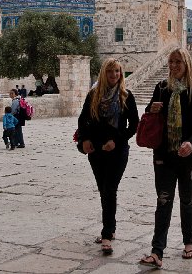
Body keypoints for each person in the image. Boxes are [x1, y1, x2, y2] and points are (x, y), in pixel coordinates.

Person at [139, 48, 192, 269]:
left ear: (186, 63)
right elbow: (149, 114)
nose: (174, 65)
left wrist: (191, 143)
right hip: (164, 155)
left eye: (178, 61)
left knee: (187, 200)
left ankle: (188, 242)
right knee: (163, 200)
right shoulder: (161, 88)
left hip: (188, 156)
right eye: (171, 61)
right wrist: (152, 109)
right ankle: (157, 251)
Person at [77, 58, 140, 256]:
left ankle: (106, 234)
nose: (114, 75)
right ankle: (110, 228)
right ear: (104, 73)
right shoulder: (93, 95)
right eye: (111, 72)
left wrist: (117, 140)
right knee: (104, 190)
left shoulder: (125, 96)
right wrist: (85, 139)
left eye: (118, 72)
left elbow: (134, 125)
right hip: (96, 152)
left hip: (117, 151)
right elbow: (83, 119)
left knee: (109, 189)